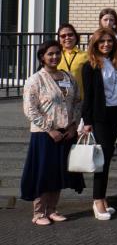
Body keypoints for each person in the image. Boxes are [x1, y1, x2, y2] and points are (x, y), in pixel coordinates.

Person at [21, 40, 84, 226]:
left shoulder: (68, 77)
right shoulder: (35, 80)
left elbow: (77, 102)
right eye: (50, 54)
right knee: (43, 173)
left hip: (66, 133)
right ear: (42, 57)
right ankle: (39, 212)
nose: (55, 57)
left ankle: (52, 209)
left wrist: (73, 125)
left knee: (58, 173)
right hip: (44, 135)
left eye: (57, 53)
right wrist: (50, 129)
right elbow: (30, 110)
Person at [81, 29, 117, 219]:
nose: (106, 44)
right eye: (102, 41)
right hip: (100, 116)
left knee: (107, 156)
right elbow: (88, 96)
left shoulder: (116, 64)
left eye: (109, 41)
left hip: (115, 115)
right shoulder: (90, 66)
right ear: (95, 44)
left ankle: (102, 197)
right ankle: (97, 199)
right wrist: (88, 121)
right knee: (103, 157)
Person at [55, 23, 87, 100]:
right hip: (59, 100)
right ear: (59, 40)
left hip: (79, 100)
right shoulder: (55, 56)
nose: (67, 38)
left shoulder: (86, 56)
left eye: (70, 35)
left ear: (76, 37)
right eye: (63, 36)